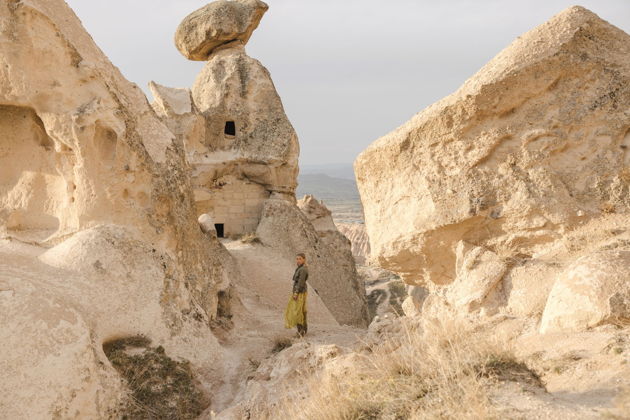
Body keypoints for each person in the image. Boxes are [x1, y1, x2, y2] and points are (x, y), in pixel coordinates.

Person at [284, 253, 309, 337]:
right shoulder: (300, 268)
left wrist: (296, 293)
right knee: (299, 311)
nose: (298, 260)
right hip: (300, 292)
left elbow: (301, 282)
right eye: (297, 259)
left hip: (300, 292)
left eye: (300, 259)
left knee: (298, 311)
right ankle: (302, 330)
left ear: (304, 259)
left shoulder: (303, 270)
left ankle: (301, 331)